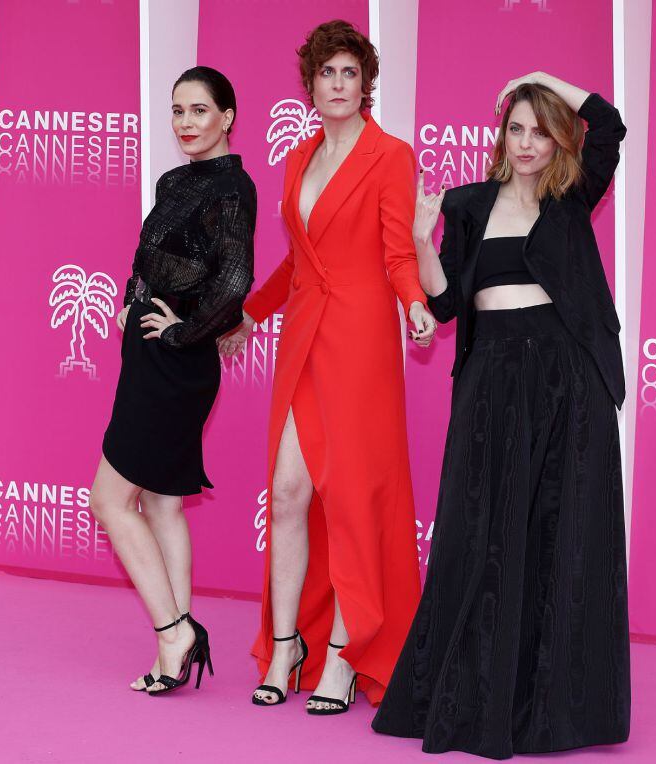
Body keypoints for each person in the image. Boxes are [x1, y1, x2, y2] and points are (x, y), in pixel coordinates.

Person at [372, 72, 630, 757]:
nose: (525, 143)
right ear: (500, 136)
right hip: (492, 383)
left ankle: (554, 711)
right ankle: (468, 696)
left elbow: (608, 123)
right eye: (515, 128)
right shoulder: (464, 204)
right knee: (478, 529)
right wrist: (425, 241)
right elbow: (445, 303)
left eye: (539, 131)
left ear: (557, 143)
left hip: (567, 383)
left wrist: (538, 81)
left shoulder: (572, 199)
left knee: (560, 535)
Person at [218, 19, 436, 715]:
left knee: (350, 501)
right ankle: (286, 645)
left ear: (365, 83)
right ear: (309, 84)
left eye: (350, 73)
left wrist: (414, 305)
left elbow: (398, 252)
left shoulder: (390, 156)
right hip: (305, 338)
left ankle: (346, 653)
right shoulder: (296, 159)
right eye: (327, 73)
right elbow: (299, 260)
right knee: (287, 494)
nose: (338, 85)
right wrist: (252, 311)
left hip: (363, 341)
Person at [88, 66, 256, 696]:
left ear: (227, 117)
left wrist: (183, 333)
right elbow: (146, 254)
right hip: (149, 354)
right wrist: (134, 303)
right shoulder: (174, 179)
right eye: (178, 112)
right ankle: (176, 649)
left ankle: (173, 631)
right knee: (158, 500)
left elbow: (233, 283)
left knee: (108, 500)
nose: (187, 124)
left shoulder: (232, 191)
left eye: (199, 111)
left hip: (175, 363)